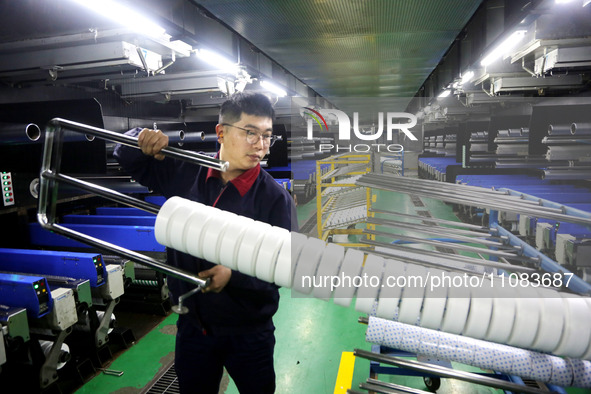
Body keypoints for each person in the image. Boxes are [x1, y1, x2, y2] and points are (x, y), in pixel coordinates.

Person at [114, 92, 297, 394]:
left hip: (249, 333)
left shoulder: (275, 199)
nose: (261, 146)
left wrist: (233, 275)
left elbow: (282, 269)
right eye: (250, 133)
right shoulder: (185, 172)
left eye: (267, 136)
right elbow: (125, 156)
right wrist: (141, 138)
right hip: (193, 326)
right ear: (221, 132)